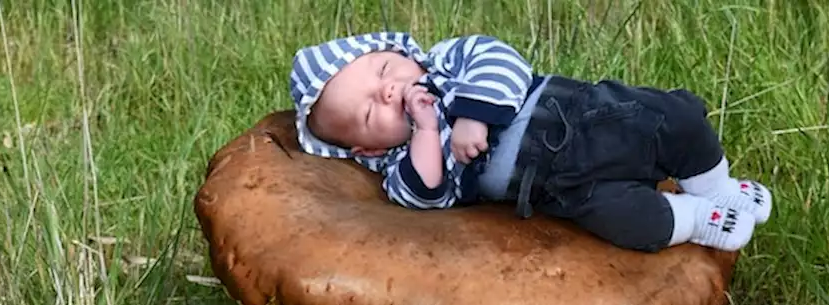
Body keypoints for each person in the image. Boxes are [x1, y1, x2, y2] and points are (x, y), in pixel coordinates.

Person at [289, 31, 773, 253]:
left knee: (677, 117)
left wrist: (472, 118)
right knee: (631, 223)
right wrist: (427, 130)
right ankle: (694, 219)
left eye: (383, 70)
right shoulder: (403, 162)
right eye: (371, 111)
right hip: (557, 189)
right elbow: (424, 195)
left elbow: (502, 60)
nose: (388, 90)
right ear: (367, 150)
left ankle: (717, 188)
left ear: (398, 51)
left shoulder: (450, 62)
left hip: (583, 116)